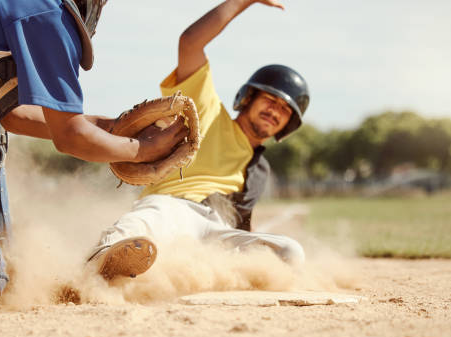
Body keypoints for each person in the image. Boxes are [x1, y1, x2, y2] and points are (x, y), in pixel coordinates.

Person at [0, 0, 187, 307]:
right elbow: (70, 136)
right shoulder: (49, 13)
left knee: (2, 266)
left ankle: (4, 261)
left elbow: (15, 115)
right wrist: (141, 152)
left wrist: (113, 128)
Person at [86, 0, 310, 280]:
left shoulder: (259, 170)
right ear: (248, 97)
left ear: (288, 124)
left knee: (290, 252)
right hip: (175, 208)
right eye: (271, 100)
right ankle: (98, 265)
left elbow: (241, 225)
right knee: (150, 219)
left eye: (284, 110)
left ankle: (193, 275)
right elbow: (190, 43)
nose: (275, 111)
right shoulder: (208, 112)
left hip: (216, 232)